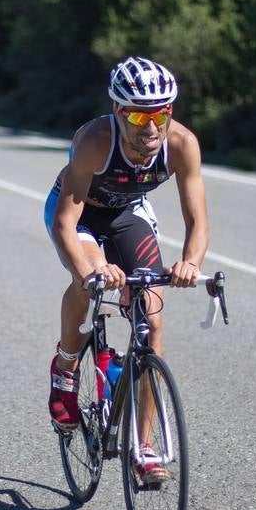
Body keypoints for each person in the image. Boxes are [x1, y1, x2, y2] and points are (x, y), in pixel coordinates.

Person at [43, 56, 209, 484]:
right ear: (118, 111)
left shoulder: (183, 144)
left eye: (161, 114)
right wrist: (90, 270)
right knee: (93, 274)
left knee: (152, 319)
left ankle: (145, 448)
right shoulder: (96, 141)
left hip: (128, 213)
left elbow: (198, 222)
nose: (151, 128)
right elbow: (65, 223)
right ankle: (65, 368)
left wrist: (190, 263)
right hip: (79, 215)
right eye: (138, 115)